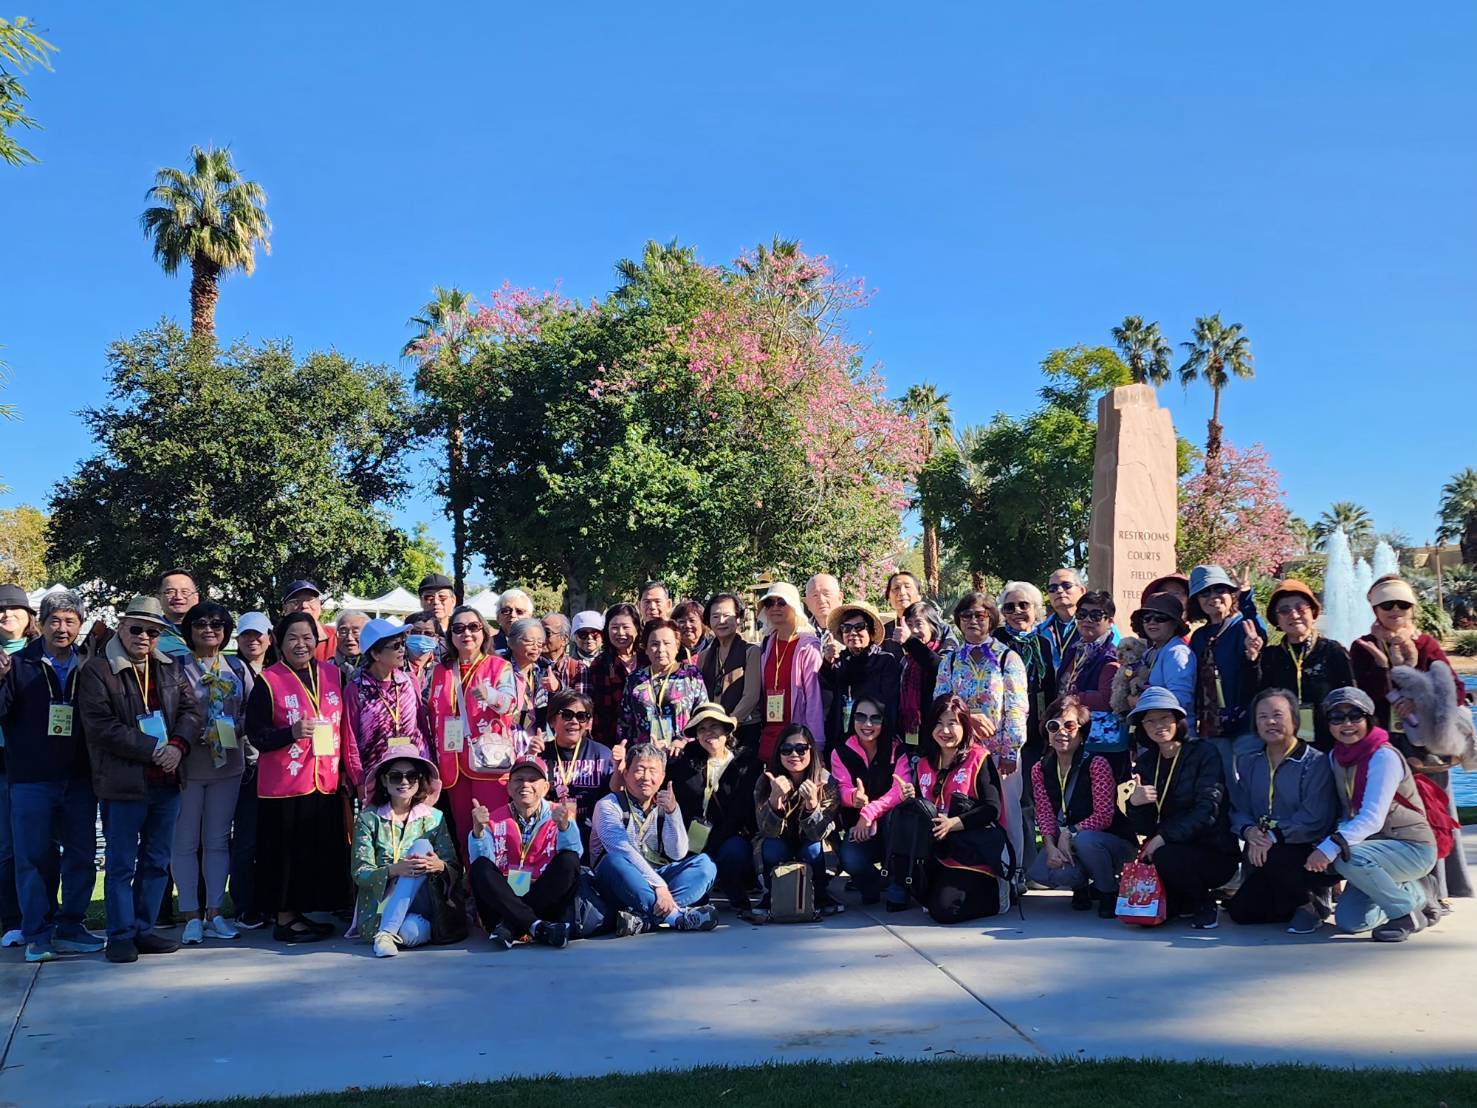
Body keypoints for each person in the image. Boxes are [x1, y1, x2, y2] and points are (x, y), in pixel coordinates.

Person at [77, 595, 204, 963]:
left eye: (153, 631)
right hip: (123, 783)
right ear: (121, 628)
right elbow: (100, 727)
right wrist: (153, 749)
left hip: (167, 781)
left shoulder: (169, 668)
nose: (144, 637)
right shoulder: (98, 671)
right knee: (120, 864)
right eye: (137, 629)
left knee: (157, 860)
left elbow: (192, 712)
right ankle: (119, 935)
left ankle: (143, 929)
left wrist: (178, 746)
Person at [1349, 574, 1470, 905]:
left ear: (1412, 608)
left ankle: (1440, 888)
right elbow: (1362, 695)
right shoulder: (1363, 646)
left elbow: (1455, 690)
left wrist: (1418, 699)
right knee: (1393, 815)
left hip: (1427, 746)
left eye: (1402, 604)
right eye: (1387, 604)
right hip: (1385, 747)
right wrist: (1384, 672)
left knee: (1436, 812)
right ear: (1375, 609)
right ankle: (1398, 888)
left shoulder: (1425, 644)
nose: (1395, 610)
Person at [0, 589, 104, 962]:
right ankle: (37, 934)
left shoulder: (89, 665)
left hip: (79, 777)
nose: (62, 628)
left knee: (81, 855)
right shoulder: (18, 664)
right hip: (31, 778)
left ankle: (71, 926)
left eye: (70, 621)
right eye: (55, 621)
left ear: (80, 625)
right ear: (41, 624)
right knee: (33, 858)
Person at [245, 610, 352, 943]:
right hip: (284, 785)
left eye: (307, 637)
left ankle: (302, 914)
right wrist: (290, 732)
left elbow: (345, 727)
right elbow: (256, 734)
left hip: (325, 779)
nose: (301, 644)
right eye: (292, 637)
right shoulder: (268, 680)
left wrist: (347, 772)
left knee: (314, 851)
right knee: (284, 853)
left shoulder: (334, 675)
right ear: (279, 641)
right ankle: (284, 919)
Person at [855, 695, 1011, 923]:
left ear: (965, 726)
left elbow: (992, 809)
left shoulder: (978, 758)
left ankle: (999, 895)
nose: (944, 730)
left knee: (945, 910)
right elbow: (924, 808)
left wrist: (953, 824)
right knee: (919, 891)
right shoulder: (924, 763)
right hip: (935, 851)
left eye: (952, 723)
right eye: (939, 723)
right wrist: (910, 798)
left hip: (971, 852)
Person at [1305, 687, 1438, 942]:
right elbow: (1345, 812)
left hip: (1411, 847)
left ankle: (1405, 915)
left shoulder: (1383, 756)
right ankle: (1418, 893)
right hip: (1372, 851)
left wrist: (1329, 847)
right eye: (1337, 717)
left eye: (1355, 716)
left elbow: (1372, 818)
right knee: (1351, 922)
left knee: (1346, 856)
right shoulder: (1335, 757)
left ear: (1369, 719)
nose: (1347, 724)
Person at [1225, 688, 1340, 932]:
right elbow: (1239, 808)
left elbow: (1315, 819)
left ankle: (1310, 905)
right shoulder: (1249, 762)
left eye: (1277, 715)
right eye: (1262, 716)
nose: (1270, 722)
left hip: (1305, 850)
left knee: (1278, 855)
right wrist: (1249, 831)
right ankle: (1292, 900)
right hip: (1264, 850)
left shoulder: (1316, 762)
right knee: (1241, 912)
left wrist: (1273, 836)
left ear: (1295, 720)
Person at [1124, 687, 1239, 929]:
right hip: (1170, 848)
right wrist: (1135, 803)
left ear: (1178, 719)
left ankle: (1204, 902)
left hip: (1212, 849)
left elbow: (1207, 810)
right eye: (1150, 721)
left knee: (1165, 856)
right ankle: (1182, 901)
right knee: (1148, 911)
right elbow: (1145, 826)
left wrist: (1163, 837)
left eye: (1165, 717)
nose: (1158, 725)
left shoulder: (1204, 752)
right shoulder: (1146, 763)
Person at [933, 592, 1028, 869]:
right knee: (967, 811)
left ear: (992, 619)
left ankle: (1012, 872)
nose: (973, 620)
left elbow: (1017, 708)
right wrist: (969, 716)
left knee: (1007, 813)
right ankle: (975, 870)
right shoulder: (951, 661)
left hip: (999, 753)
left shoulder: (1007, 658)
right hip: (962, 753)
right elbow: (940, 703)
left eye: (980, 615)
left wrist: (1011, 751)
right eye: (966, 615)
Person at [176, 601, 250, 945]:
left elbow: (251, 711)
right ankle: (190, 915)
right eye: (201, 624)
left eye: (217, 624)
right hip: (188, 766)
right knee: (185, 842)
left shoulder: (237, 667)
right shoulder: (176, 667)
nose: (209, 629)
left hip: (228, 766)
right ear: (189, 630)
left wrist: (234, 730)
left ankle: (215, 912)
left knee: (218, 842)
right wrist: (191, 734)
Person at [590, 743, 719, 935]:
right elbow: (622, 850)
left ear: (662, 776)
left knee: (705, 865)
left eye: (653, 771)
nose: (646, 777)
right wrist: (660, 886)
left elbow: (677, 853)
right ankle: (675, 917)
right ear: (626, 773)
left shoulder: (664, 804)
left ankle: (645, 920)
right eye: (639, 770)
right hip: (621, 881)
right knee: (614, 861)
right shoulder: (608, 805)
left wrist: (673, 812)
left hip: (655, 877)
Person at [1028, 695, 1136, 917]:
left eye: (1069, 725)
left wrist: (1070, 833)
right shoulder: (1039, 769)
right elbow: (1045, 814)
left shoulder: (1097, 764)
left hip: (1110, 843)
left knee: (1085, 840)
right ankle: (1081, 886)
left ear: (1082, 731)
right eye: (1054, 726)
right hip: (1069, 839)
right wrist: (1050, 846)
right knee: (1042, 871)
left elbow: (1104, 815)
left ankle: (1108, 890)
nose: (1061, 732)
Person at [426, 604, 518, 857]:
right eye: (458, 628)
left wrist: (491, 696)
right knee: (464, 829)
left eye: (473, 627)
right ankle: (470, 877)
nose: (466, 633)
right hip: (452, 762)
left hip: (488, 763)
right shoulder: (439, 671)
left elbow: (511, 705)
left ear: (484, 632)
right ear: (450, 636)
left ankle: (496, 877)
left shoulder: (499, 666)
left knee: (494, 828)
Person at [352, 751, 462, 957]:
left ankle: (386, 933)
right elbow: (360, 873)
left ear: (419, 781)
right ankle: (391, 930)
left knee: (421, 847)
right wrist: (394, 870)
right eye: (396, 776)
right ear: (384, 781)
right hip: (380, 905)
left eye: (411, 776)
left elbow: (454, 867)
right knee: (410, 933)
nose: (404, 782)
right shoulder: (368, 819)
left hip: (424, 900)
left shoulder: (435, 818)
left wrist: (439, 866)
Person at [467, 755, 581, 948]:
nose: (525, 785)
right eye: (519, 779)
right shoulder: (493, 819)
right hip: (503, 899)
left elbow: (575, 854)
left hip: (543, 899)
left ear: (545, 787)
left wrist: (564, 828)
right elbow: (483, 862)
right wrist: (478, 832)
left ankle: (511, 927)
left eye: (532, 780)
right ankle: (537, 927)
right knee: (480, 867)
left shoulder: (560, 814)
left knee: (569, 860)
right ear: (509, 787)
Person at [667, 703, 762, 918]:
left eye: (714, 727)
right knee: (694, 895)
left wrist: (711, 843)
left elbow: (741, 812)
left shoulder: (745, 764)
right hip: (692, 835)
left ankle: (734, 891)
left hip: (730, 833)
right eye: (701, 729)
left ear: (726, 731)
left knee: (734, 851)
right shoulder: (686, 761)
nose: (708, 733)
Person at [1247, 580, 1353, 752]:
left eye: (1301, 607)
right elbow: (1257, 696)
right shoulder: (1270, 656)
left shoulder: (1332, 651)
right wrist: (1253, 660)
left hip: (1330, 743)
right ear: (1277, 619)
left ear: (1313, 612)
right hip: (1283, 744)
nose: (1294, 614)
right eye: (1284, 610)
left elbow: (1349, 695)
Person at [754, 724, 842, 918]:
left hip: (811, 843)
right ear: (778, 753)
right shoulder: (766, 781)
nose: (794, 754)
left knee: (814, 848)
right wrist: (775, 801)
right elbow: (766, 831)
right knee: (770, 846)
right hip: (781, 842)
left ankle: (820, 894)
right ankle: (772, 893)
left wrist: (812, 806)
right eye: (786, 749)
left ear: (811, 751)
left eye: (801, 749)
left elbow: (818, 834)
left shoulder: (826, 782)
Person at [1186, 565, 1268, 773]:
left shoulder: (1242, 625)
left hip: (1245, 724)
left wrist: (1246, 595)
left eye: (1220, 589)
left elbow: (1258, 634)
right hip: (1212, 726)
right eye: (1204, 593)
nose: (1213, 597)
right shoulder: (1199, 637)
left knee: (1249, 780)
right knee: (1221, 780)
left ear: (1231, 594)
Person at [344, 619, 432, 798]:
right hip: (377, 776)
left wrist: (430, 766)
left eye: (403, 643)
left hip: (414, 773)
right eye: (396, 645)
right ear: (375, 654)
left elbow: (422, 726)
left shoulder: (409, 681)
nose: (402, 650)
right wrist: (359, 781)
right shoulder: (357, 689)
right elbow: (349, 738)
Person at [830, 695, 899, 905]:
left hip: (891, 829)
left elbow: (898, 791)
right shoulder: (840, 751)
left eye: (875, 718)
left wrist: (868, 813)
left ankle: (898, 883)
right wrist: (853, 797)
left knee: (897, 820)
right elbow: (840, 788)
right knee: (851, 858)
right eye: (860, 717)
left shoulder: (896, 749)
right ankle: (875, 883)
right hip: (859, 830)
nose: (867, 724)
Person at [0, 583, 39, 948]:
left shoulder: (40, 653)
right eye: (1, 609)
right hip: (2, 760)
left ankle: (46, 917)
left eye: (14, 609)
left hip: (37, 758)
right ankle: (12, 920)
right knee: (8, 846)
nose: (6, 614)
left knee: (43, 845)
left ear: (29, 616)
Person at [227, 611, 270, 929]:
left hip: (274, 767)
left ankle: (267, 902)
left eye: (258, 634)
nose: (252, 640)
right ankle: (245, 906)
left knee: (268, 841)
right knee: (244, 841)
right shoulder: (229, 670)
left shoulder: (277, 670)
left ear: (269, 637)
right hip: (244, 767)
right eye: (246, 635)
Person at [1056, 590, 1127, 779]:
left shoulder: (1112, 656)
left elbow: (1107, 699)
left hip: (1102, 745)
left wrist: (1073, 698)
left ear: (1110, 621)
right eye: (1082, 614)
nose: (1087, 620)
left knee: (1100, 793)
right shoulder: (1076, 649)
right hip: (1076, 738)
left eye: (1095, 615)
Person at [543, 689, 615, 859]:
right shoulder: (540, 754)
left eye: (582, 716)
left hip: (591, 833)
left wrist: (620, 768)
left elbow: (615, 797)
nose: (574, 721)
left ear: (588, 723)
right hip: (548, 831)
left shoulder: (603, 755)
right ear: (552, 720)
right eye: (567, 715)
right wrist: (530, 758)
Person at [756, 582, 824, 761]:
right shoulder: (767, 644)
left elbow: (814, 700)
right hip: (769, 737)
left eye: (781, 602)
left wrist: (816, 744)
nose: (775, 607)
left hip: (797, 743)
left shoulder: (809, 647)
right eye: (769, 603)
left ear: (794, 605)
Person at [821, 600, 901, 750]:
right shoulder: (839, 661)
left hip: (874, 739)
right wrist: (827, 661)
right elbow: (826, 690)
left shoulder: (885, 661)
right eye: (846, 628)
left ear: (871, 632)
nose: (852, 633)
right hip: (842, 740)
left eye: (859, 627)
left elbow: (890, 706)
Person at [618, 618, 708, 750]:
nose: (661, 649)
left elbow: (703, 715)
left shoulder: (691, 675)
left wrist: (683, 740)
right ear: (646, 648)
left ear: (677, 647)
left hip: (682, 752)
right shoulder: (634, 679)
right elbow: (624, 722)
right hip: (644, 755)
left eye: (667, 643)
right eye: (654, 644)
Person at [693, 592, 762, 750]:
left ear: (738, 618)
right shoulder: (704, 657)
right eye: (715, 616)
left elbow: (751, 696)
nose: (721, 621)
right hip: (712, 731)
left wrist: (732, 721)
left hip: (744, 728)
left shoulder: (751, 652)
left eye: (727, 616)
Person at [1130, 593, 1196, 720]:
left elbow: (1180, 699)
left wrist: (1141, 702)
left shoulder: (1177, 652)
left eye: (1160, 618)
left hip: (1175, 729)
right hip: (1152, 727)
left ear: (1175, 623)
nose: (1152, 622)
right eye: (1146, 618)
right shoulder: (1151, 651)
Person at [588, 603, 641, 749]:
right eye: (614, 627)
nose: (620, 633)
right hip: (611, 739)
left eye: (626, 627)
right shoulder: (600, 663)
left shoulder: (647, 659)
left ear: (637, 628)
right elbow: (598, 707)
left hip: (645, 735)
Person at [896, 601, 946, 749]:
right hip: (909, 734)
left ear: (932, 627)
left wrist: (910, 641)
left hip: (938, 734)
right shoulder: (905, 661)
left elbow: (937, 667)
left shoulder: (944, 655)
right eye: (909, 625)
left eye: (919, 624)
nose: (914, 630)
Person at [507, 617, 556, 734]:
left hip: (535, 736)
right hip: (505, 734)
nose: (535, 647)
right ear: (511, 642)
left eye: (540, 643)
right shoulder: (500, 668)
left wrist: (557, 688)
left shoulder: (544, 669)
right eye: (529, 641)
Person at [1038, 568, 1086, 673]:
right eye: (1052, 588)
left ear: (1082, 591)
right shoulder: (1039, 631)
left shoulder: (1098, 626)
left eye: (1066, 585)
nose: (1059, 590)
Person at [280, 580, 338, 663]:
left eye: (310, 600)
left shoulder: (336, 636)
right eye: (296, 601)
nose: (304, 605)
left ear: (320, 605)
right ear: (285, 608)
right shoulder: (272, 639)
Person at [154, 569, 200, 658]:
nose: (178, 597)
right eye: (170, 592)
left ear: (196, 598)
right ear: (158, 598)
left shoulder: (212, 630)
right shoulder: (150, 634)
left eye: (185, 592)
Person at [542, 612, 590, 696]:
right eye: (539, 633)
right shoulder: (529, 665)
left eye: (547, 633)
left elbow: (582, 701)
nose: (541, 638)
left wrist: (559, 688)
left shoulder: (579, 669)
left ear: (564, 639)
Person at [880, 571, 922, 651]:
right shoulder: (883, 633)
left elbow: (944, 658)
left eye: (907, 587)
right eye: (896, 588)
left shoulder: (935, 627)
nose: (902, 592)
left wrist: (910, 641)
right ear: (889, 598)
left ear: (919, 595)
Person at [803, 573, 843, 652]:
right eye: (815, 595)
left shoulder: (851, 629)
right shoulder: (800, 633)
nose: (821, 600)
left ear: (840, 598)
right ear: (807, 603)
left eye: (826, 594)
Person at [493, 588, 534, 655]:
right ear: (498, 617)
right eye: (506, 610)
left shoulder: (539, 647)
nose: (513, 615)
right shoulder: (486, 646)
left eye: (519, 611)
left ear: (530, 617)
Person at [333, 609, 368, 675]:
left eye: (355, 632)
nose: (349, 638)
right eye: (343, 632)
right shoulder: (325, 669)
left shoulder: (378, 668)